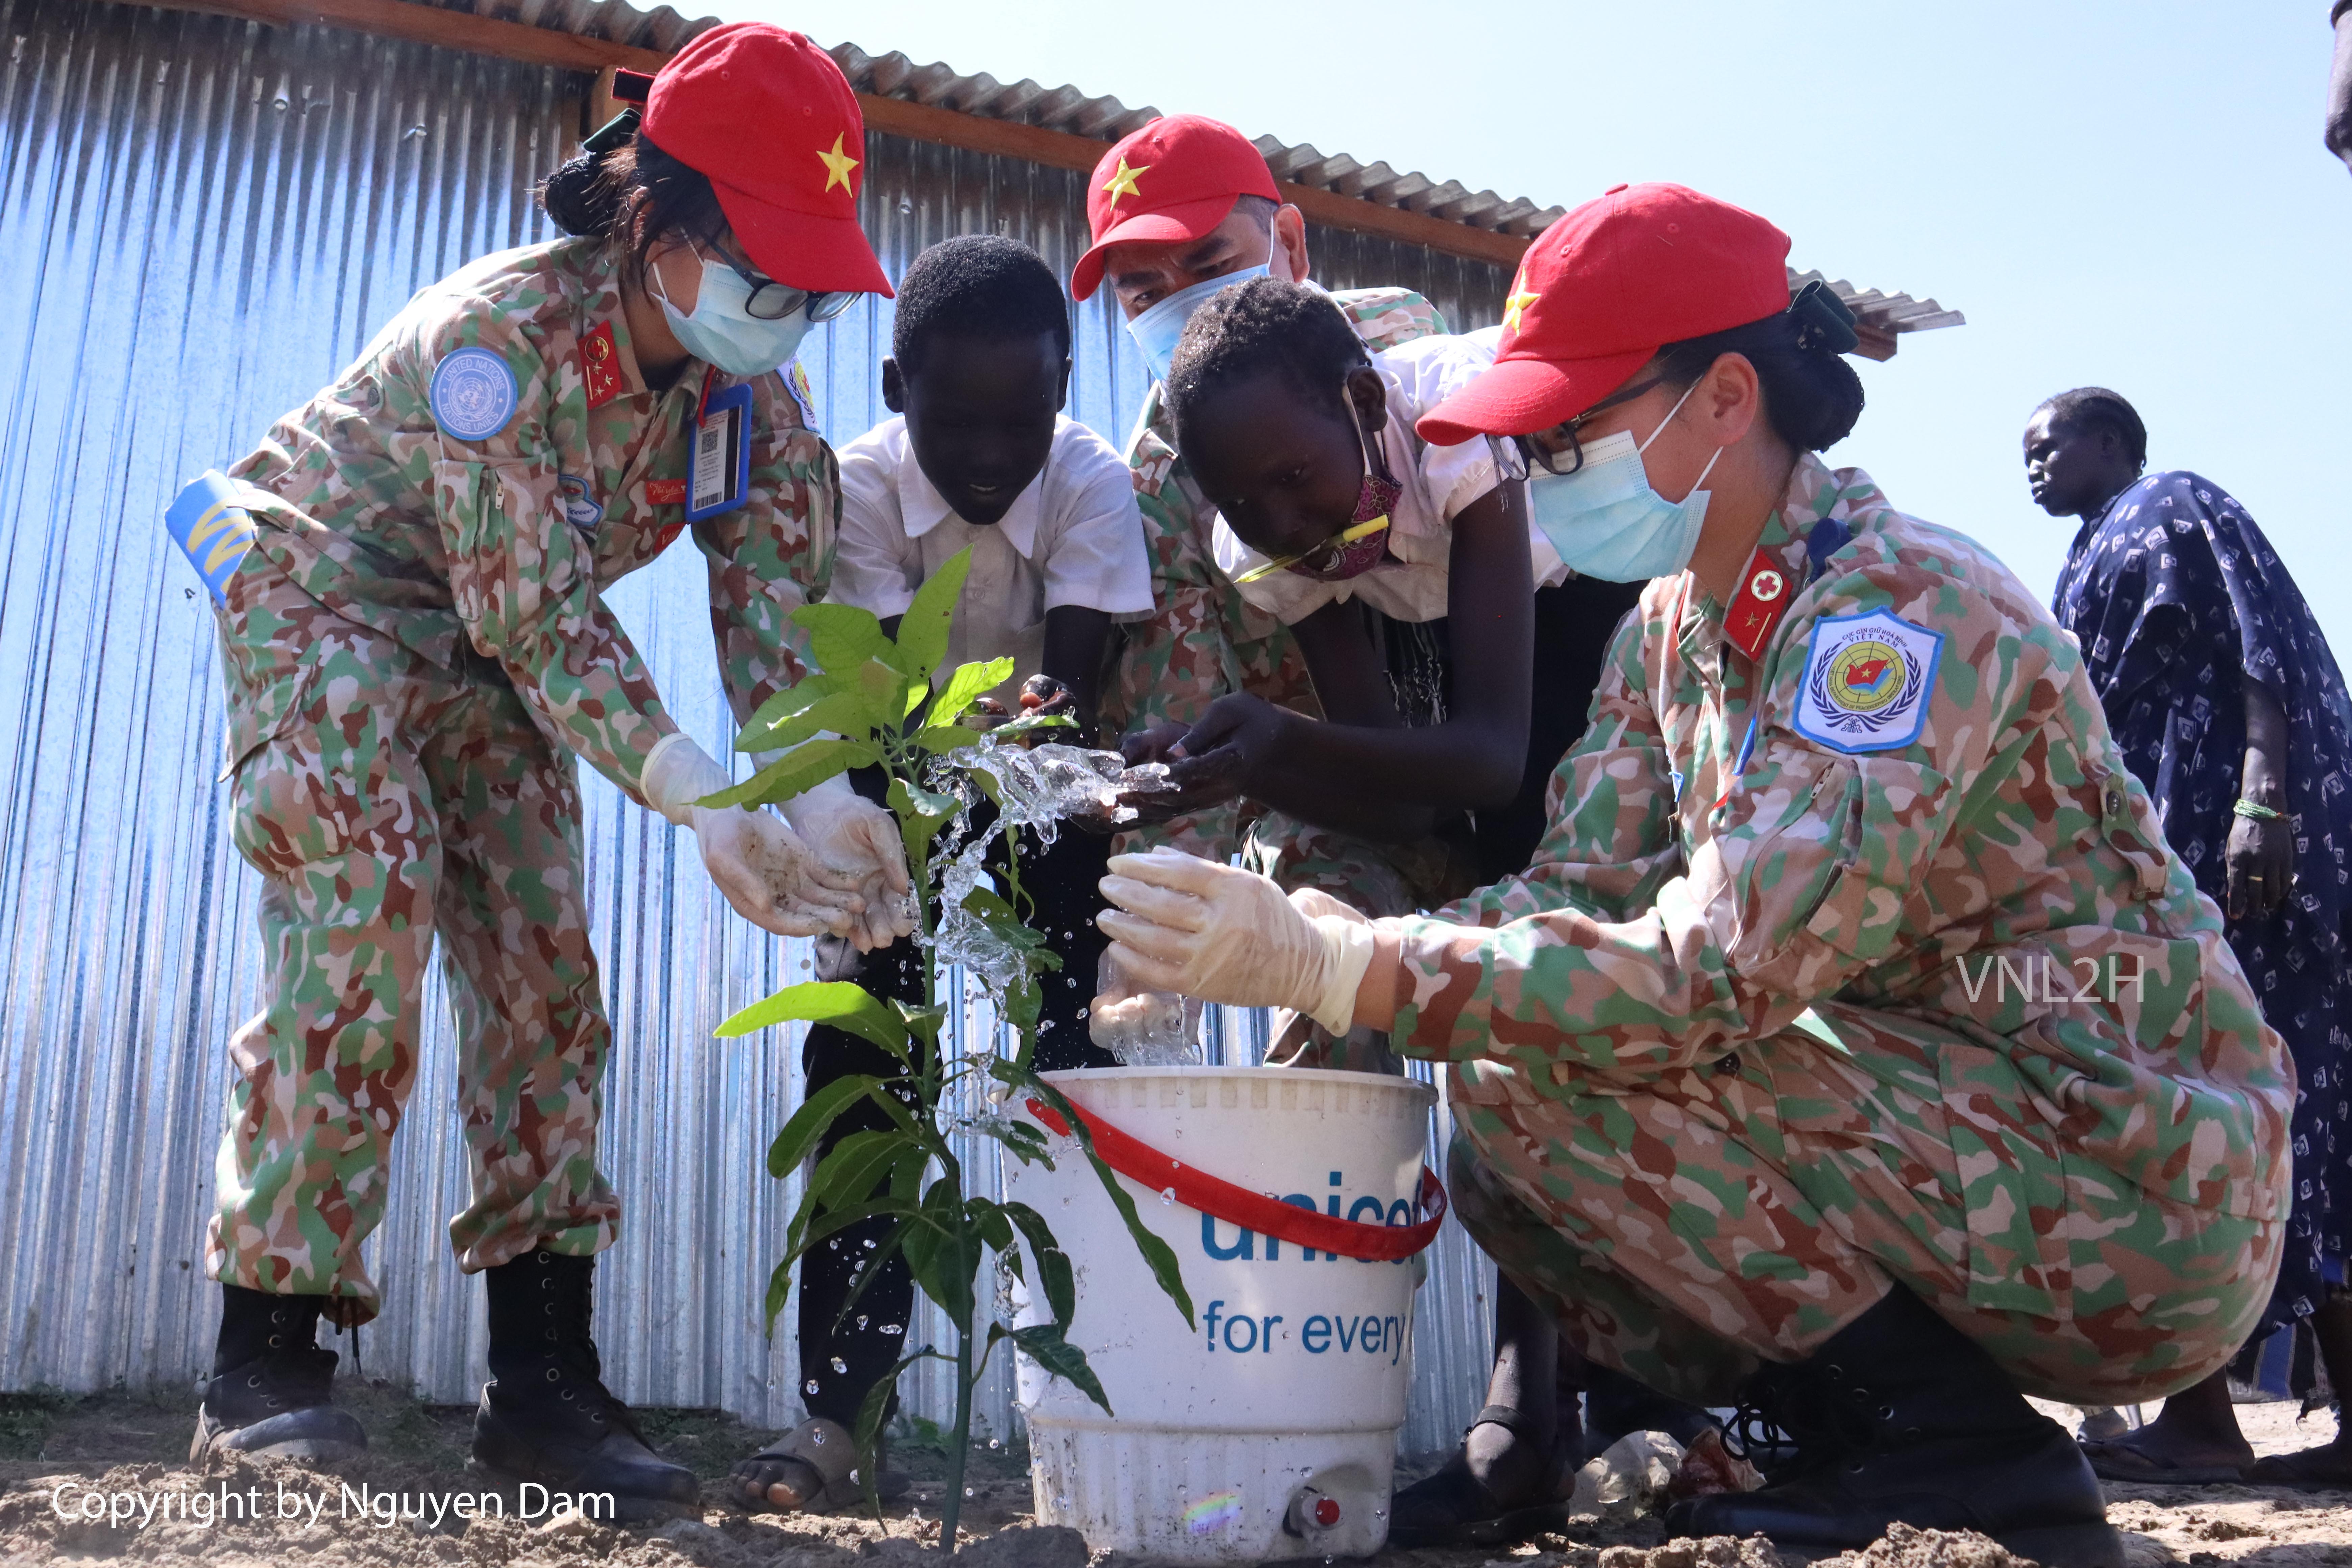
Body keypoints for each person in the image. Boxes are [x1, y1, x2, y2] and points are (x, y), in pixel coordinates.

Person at [1095, 182, 2294, 1565]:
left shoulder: (1894, 612)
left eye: (1567, 430)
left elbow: (1718, 966)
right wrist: (1334, 944)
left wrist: (1357, 965)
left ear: (1725, 396)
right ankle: (1867, 1435)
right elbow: (1576, 893)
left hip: (2141, 1177)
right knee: (1503, 1088)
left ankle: (1983, 1457)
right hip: (1969, 1133)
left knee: (1539, 1046)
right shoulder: (1673, 633)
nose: (1538, 465)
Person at [177, 25, 909, 1517]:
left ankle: (542, 1383)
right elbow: (532, 609)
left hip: (495, 653)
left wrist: (827, 797)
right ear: (659, 231)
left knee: (544, 967)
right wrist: (701, 793)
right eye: (763, 274)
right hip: (328, 588)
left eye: (810, 290)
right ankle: (267, 1355)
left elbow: (776, 621)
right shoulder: (495, 341)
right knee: (365, 891)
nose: (787, 315)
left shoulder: (749, 409)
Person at [729, 235, 1150, 1512]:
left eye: (1021, 420)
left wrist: (1025, 746)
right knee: (865, 1083)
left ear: (1063, 385)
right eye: (952, 420)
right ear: (898, 383)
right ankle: (839, 1422)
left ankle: (1082, 1424)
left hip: (1048, 794)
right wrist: (868, 881)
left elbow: (1065, 706)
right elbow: (868, 704)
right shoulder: (854, 489)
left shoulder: (1091, 480)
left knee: (1073, 1078)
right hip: (886, 802)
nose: (986, 455)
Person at [2025, 387, 2352, 1488]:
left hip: (2234, 867)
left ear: (2110, 442)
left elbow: (2264, 651)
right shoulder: (2082, 558)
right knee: (2181, 1117)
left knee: (2287, 1112)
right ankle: (2199, 1417)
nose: (2033, 467)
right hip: (2160, 876)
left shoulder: (2173, 506)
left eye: (2048, 446)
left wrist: (2265, 802)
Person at [1069, 113, 1456, 915]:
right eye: (1146, 294)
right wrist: (1152, 931)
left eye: (1212, 264)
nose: (1183, 306)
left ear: (1290, 242)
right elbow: (1180, 712)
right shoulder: (1157, 486)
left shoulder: (1406, 339)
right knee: (1309, 932)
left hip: (1499, 725)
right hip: (1339, 785)